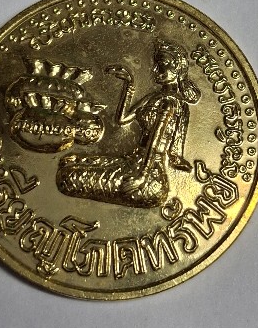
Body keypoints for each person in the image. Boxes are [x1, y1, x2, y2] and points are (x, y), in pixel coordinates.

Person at [56, 40, 201, 208]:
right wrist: (129, 85)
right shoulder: (153, 98)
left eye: (161, 64)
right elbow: (123, 119)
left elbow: (154, 143)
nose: (155, 69)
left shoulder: (170, 103)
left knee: (69, 177)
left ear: (176, 68)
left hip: (148, 177)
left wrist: (142, 176)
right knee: (68, 165)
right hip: (133, 162)